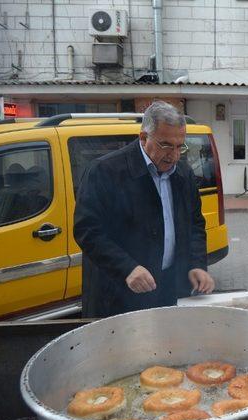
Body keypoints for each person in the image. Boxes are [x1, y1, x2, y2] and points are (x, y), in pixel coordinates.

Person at [74, 101, 215, 318]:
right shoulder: (105, 171)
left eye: (180, 146)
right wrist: (127, 268)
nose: (174, 156)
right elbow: (88, 231)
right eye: (166, 145)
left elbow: (195, 224)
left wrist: (197, 265)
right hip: (119, 295)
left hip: (168, 290)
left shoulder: (183, 174)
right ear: (143, 138)